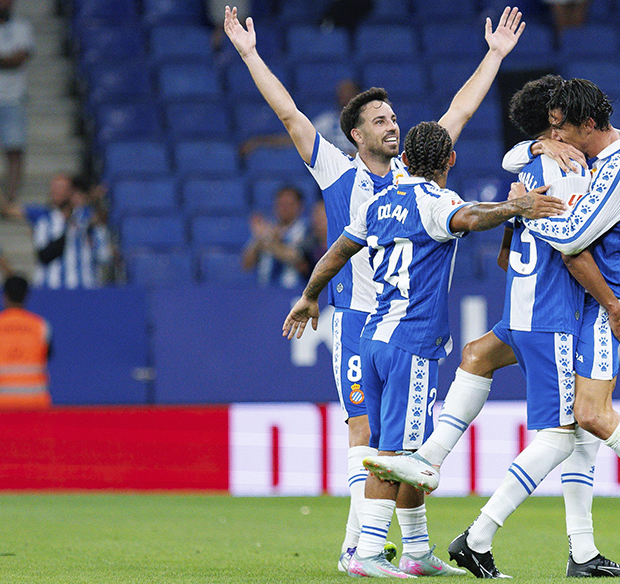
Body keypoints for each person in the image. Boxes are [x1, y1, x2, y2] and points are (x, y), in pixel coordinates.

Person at [223, 3, 526, 572]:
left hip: (401, 322)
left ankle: (411, 549)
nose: (393, 125)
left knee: (398, 442)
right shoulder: (337, 172)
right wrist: (249, 54)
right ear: (358, 134)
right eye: (381, 120)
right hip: (357, 321)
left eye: (393, 118)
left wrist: (494, 57)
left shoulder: (417, 170)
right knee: (367, 437)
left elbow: (459, 110)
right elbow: (289, 114)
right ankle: (357, 548)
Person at [367, 78, 620, 571]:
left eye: (562, 130)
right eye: (553, 130)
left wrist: (522, 210)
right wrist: (531, 172)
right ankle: (590, 540)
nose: (560, 140)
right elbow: (539, 200)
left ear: (583, 124)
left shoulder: (614, 164)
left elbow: (570, 240)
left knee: (571, 410)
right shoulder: (567, 160)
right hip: (569, 304)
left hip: (590, 303)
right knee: (554, 407)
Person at [282, 121, 566, 577]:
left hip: (372, 339)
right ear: (450, 161)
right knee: (399, 459)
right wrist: (521, 205)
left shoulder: (377, 202)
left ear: (405, 161)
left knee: (401, 449)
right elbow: (471, 218)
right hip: (409, 346)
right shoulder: (437, 203)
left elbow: (337, 253)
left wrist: (309, 295)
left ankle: (415, 551)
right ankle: (368, 553)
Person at [20, 173, 113, 290]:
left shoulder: (89, 220)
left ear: (72, 192)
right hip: (50, 289)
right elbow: (44, 255)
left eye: (60, 188)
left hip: (83, 289)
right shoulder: (44, 220)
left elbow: (104, 257)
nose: (55, 192)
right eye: (53, 188)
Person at [241, 79, 361, 158]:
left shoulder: (370, 121)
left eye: (349, 92)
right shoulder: (327, 121)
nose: (344, 96)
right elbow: (297, 139)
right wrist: (260, 141)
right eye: (342, 93)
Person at [0, 0, 33, 215]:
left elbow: (19, 59)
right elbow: (13, 58)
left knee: (14, 149)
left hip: (13, 98)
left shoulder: (22, 27)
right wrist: (7, 58)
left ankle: (10, 197)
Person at [0, 274, 50, 410]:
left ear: (4, 296)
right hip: (35, 404)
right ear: (26, 296)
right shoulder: (41, 326)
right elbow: (47, 355)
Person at [241, 185, 308, 288]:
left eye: (289, 204)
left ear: (300, 206)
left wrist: (269, 241)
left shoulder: (307, 230)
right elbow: (246, 265)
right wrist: (258, 240)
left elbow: (299, 259)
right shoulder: (267, 229)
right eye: (281, 204)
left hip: (293, 290)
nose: (285, 209)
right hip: (265, 291)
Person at [297, 200, 328, 281]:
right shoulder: (309, 244)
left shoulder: (346, 245)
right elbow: (298, 259)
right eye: (315, 216)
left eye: (321, 217)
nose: (317, 221)